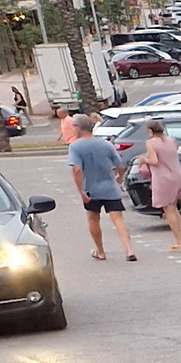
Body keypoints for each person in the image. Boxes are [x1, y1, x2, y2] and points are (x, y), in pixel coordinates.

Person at [66, 111, 133, 262]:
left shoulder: (75, 147)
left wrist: (81, 190)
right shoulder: (106, 144)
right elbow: (120, 165)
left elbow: (77, 169)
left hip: (91, 189)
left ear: (78, 127)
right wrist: (119, 177)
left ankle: (100, 251)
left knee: (93, 218)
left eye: (73, 127)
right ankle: (128, 250)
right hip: (109, 187)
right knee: (118, 219)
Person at [140, 119, 181, 253]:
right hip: (177, 174)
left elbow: (154, 161)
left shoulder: (151, 143)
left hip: (163, 177)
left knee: (168, 208)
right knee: (174, 207)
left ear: (150, 131)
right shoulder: (171, 141)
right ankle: (180, 238)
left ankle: (179, 241)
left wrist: (144, 159)